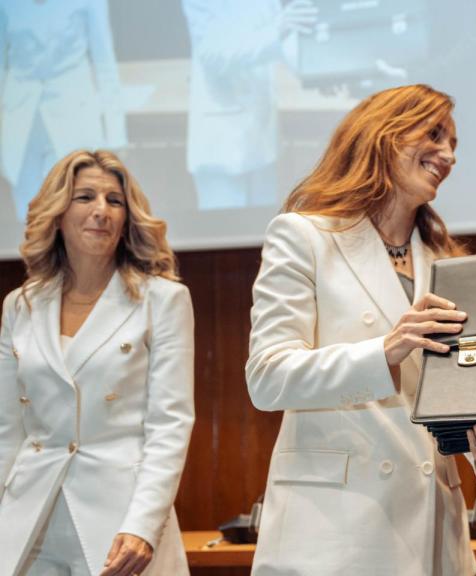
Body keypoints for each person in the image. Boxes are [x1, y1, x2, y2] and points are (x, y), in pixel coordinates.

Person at [246, 84, 476, 575]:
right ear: (382, 135)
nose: (448, 154)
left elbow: (457, 404)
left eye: (454, 143)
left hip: (434, 533)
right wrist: (382, 352)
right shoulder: (303, 235)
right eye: (434, 134)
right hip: (333, 536)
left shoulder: (449, 262)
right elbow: (267, 377)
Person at [0, 150, 194, 575]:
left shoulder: (163, 300)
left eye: (115, 200)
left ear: (128, 217)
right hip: (29, 519)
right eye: (84, 197)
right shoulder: (21, 305)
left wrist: (143, 526)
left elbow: (170, 424)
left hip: (122, 520)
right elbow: (7, 428)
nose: (101, 211)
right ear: (57, 212)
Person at [181, 0, 317, 210]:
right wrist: (278, 29)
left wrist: (321, 70)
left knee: (263, 233)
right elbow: (212, 54)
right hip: (222, 143)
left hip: (262, 139)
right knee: (223, 233)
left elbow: (282, 43)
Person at [0, 1, 127, 222]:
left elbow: (104, 62)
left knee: (76, 214)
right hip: (20, 122)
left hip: (73, 116)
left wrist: (117, 133)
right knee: (28, 218)